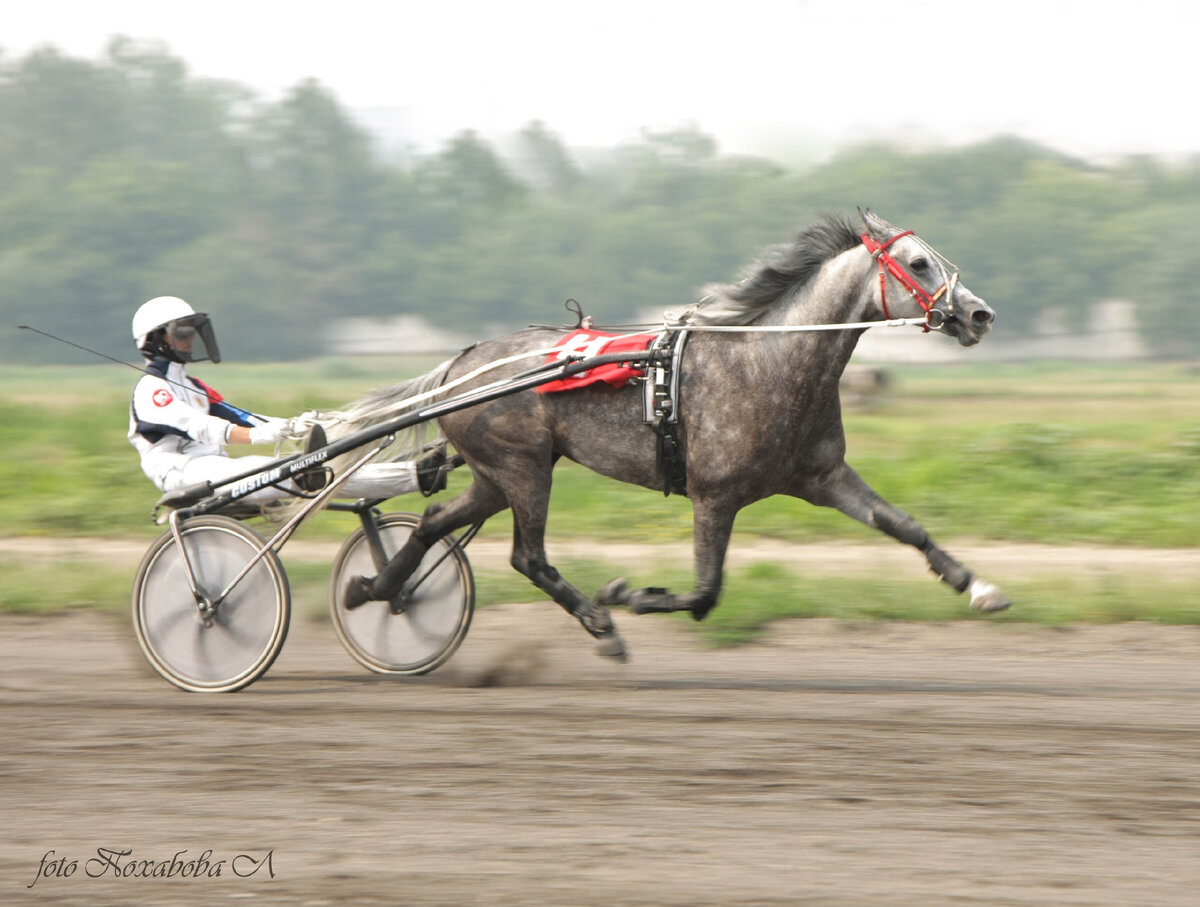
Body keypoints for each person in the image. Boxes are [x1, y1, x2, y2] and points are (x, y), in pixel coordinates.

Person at [127, 296, 446, 503]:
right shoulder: (152, 389)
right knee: (298, 472)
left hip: (214, 466)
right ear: (156, 338)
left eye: (190, 331)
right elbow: (201, 427)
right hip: (182, 472)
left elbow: (240, 416)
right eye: (182, 332)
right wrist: (261, 436)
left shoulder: (192, 386)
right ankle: (413, 476)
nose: (190, 338)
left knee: (314, 469)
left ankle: (416, 475)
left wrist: (291, 426)